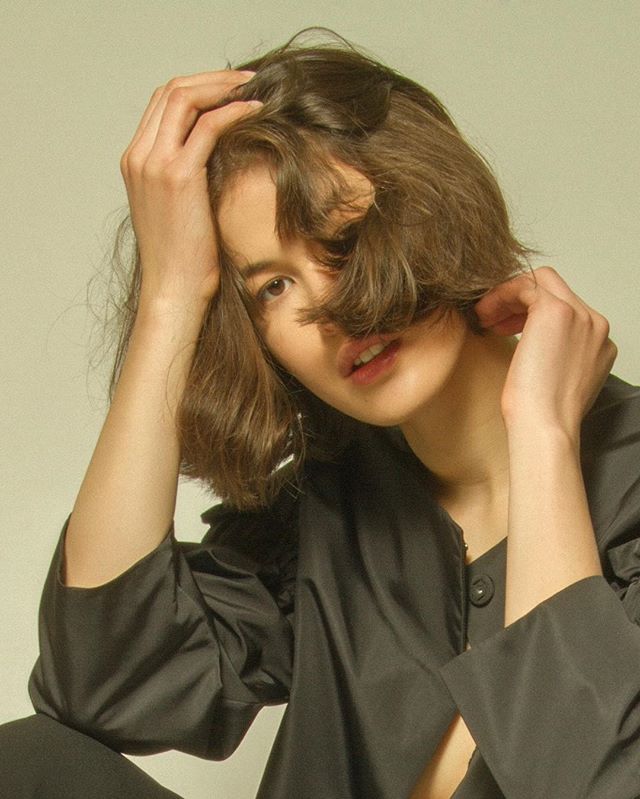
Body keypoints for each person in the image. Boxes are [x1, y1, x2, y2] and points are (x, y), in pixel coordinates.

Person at [1, 29, 639, 799]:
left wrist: (544, 435)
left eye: (342, 234)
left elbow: (595, 779)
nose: (329, 307)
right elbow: (102, 686)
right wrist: (173, 296)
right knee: (30, 765)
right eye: (271, 287)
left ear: (429, 203)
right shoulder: (329, 502)